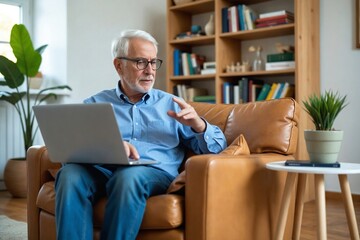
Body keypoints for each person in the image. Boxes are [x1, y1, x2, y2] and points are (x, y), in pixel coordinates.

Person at [55, 29, 227, 240]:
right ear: (119, 65)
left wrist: (199, 125)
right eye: (141, 62)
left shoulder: (170, 104)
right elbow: (71, 153)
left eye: (153, 62)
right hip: (102, 170)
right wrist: (113, 148)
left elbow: (219, 148)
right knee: (70, 175)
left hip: (152, 173)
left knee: (128, 176)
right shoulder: (95, 104)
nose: (150, 71)